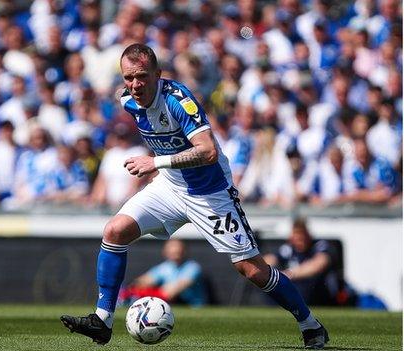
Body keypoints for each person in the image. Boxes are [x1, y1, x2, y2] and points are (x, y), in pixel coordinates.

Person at [60, 44, 329, 349]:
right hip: (170, 186)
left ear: (158, 75)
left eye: (142, 76)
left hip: (210, 192)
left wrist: (155, 162)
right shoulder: (127, 101)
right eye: (128, 77)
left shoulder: (178, 100)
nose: (135, 84)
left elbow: (209, 151)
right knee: (115, 230)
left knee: (251, 269)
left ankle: (310, 324)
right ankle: (103, 320)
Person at [264, 217, 339, 306]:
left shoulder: (320, 246)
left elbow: (318, 264)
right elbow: (270, 258)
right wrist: (267, 270)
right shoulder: (288, 249)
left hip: (319, 298)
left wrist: (288, 274)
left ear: (308, 235)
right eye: (297, 237)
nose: (300, 240)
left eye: (302, 236)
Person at [120, 239, 207, 307]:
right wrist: (131, 289)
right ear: (165, 252)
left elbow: (170, 293)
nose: (175, 253)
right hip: (171, 307)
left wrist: (138, 293)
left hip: (192, 308)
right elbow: (143, 281)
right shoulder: (165, 267)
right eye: (172, 251)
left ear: (184, 251)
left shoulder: (193, 267)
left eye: (177, 251)